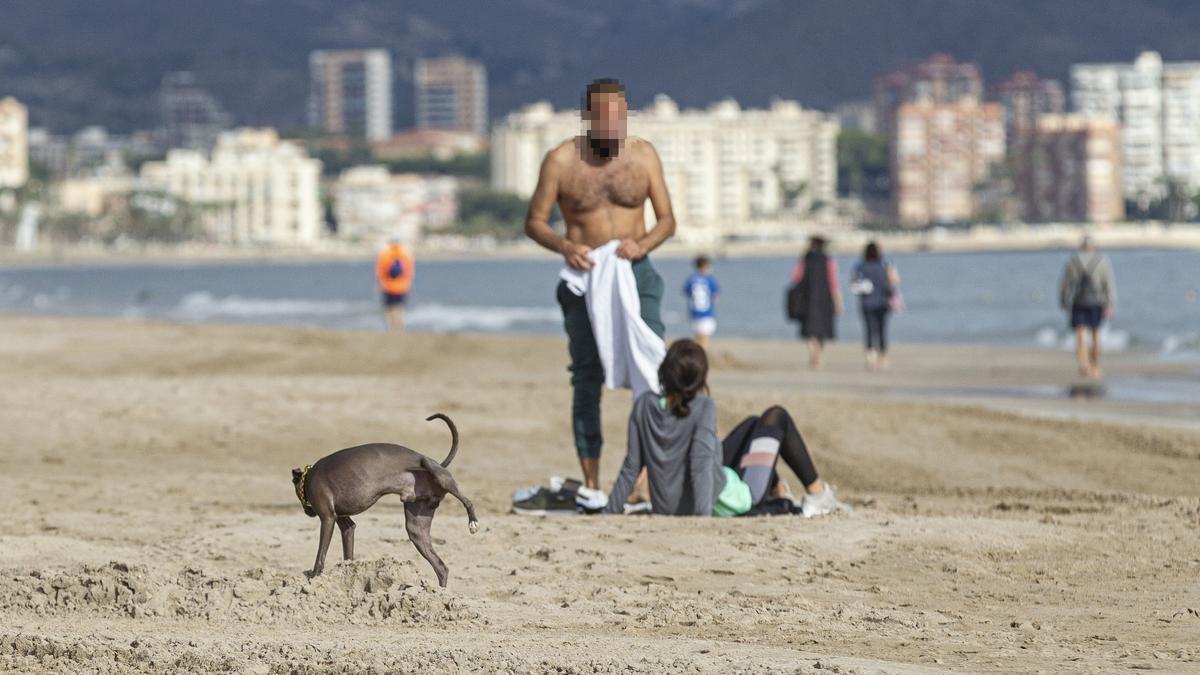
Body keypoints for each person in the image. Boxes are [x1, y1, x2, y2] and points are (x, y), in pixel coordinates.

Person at [524, 78, 676, 491]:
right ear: (587, 117)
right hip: (584, 276)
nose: (613, 124)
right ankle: (592, 481)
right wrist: (565, 245)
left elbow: (667, 221)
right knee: (586, 376)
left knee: (653, 369)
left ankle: (644, 478)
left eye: (620, 115)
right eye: (604, 116)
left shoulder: (643, 156)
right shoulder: (560, 160)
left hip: (635, 271)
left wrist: (640, 244)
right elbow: (534, 222)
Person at [604, 339, 840, 517]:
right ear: (701, 379)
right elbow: (700, 467)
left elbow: (631, 466)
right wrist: (702, 520)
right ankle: (818, 495)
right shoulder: (703, 407)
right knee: (776, 416)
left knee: (752, 424)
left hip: (671, 501)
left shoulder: (644, 405)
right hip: (731, 499)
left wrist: (609, 513)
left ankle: (777, 489)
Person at [1059, 235, 1117, 379]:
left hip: (1079, 302)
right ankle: (1095, 365)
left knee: (1080, 336)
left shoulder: (1073, 261)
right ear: (1094, 247)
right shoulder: (1102, 261)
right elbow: (1109, 284)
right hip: (1097, 302)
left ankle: (1084, 366)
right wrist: (1110, 304)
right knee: (1096, 335)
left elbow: (1065, 284)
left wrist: (1063, 301)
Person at [789, 235, 842, 369]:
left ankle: (813, 352)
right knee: (822, 330)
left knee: (810, 329)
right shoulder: (828, 261)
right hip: (824, 299)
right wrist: (838, 302)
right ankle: (818, 354)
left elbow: (795, 277)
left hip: (807, 298)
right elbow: (833, 283)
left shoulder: (804, 260)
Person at [851, 241, 901, 371]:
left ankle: (870, 359)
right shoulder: (885, 265)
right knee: (881, 330)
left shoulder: (860, 266)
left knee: (868, 330)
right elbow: (895, 281)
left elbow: (854, 283)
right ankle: (883, 357)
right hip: (882, 303)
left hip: (866, 303)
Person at [375, 238, 414, 331]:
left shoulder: (385, 254)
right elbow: (410, 271)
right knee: (399, 307)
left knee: (389, 307)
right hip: (402, 286)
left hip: (388, 286)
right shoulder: (406, 254)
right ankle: (399, 326)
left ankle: (391, 327)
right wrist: (408, 284)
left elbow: (379, 271)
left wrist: (380, 284)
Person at [684, 255, 720, 350]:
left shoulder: (691, 279)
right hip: (706, 314)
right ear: (705, 266)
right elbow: (715, 296)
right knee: (704, 342)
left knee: (698, 339)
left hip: (694, 314)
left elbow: (687, 293)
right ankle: (700, 360)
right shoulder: (710, 280)